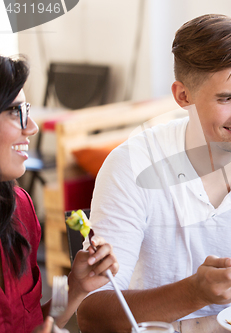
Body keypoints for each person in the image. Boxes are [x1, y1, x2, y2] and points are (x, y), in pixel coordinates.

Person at [77, 13, 231, 332]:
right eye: (228, 98)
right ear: (183, 96)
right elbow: (91, 315)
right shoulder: (132, 165)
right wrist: (193, 293)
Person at [0, 55, 119, 333]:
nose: (32, 127)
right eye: (14, 112)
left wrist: (73, 289)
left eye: (26, 111)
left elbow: (36, 324)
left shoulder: (20, 209)